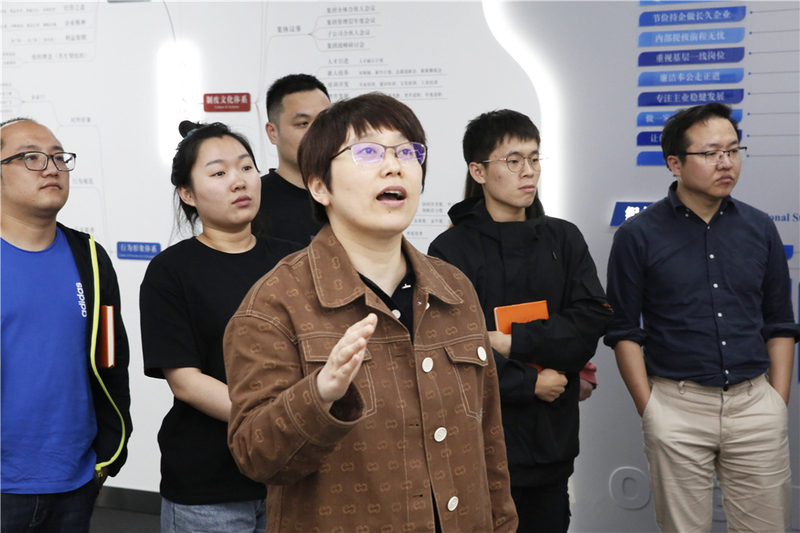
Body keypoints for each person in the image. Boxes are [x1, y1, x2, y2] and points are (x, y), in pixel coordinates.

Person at [224, 93, 518, 532]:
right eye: (367, 152)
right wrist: (319, 395)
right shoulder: (275, 303)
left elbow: (489, 440)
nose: (394, 166)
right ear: (319, 186)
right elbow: (256, 455)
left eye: (408, 152)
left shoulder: (454, 287)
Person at [605, 102, 800, 532]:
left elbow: (780, 322)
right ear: (675, 163)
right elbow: (623, 330)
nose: (726, 163)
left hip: (755, 404)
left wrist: (777, 401)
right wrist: (651, 409)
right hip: (676, 405)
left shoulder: (760, 228)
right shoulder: (638, 235)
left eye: (732, 150)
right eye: (711, 153)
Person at [428, 109, 612, 532]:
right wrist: (530, 382)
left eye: (534, 158)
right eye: (513, 161)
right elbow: (450, 347)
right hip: (479, 441)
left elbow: (590, 319)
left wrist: (513, 342)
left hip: (552, 441)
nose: (528, 171)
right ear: (478, 171)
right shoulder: (450, 250)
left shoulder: (564, 238)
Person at [140, 121, 300, 533]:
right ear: (188, 194)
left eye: (246, 168)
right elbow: (186, 381)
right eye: (218, 172)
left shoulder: (295, 261)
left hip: (291, 473)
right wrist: (275, 418)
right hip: (210, 483)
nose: (239, 181)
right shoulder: (170, 271)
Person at [1, 118, 132, 532]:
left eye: (59, 157)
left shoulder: (89, 257)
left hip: (76, 480)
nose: (52, 168)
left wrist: (109, 454)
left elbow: (111, 359)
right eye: (31, 157)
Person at [254, 73, 331, 245]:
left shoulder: (351, 194)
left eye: (324, 120)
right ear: (273, 133)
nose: (316, 132)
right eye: (303, 123)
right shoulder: (253, 202)